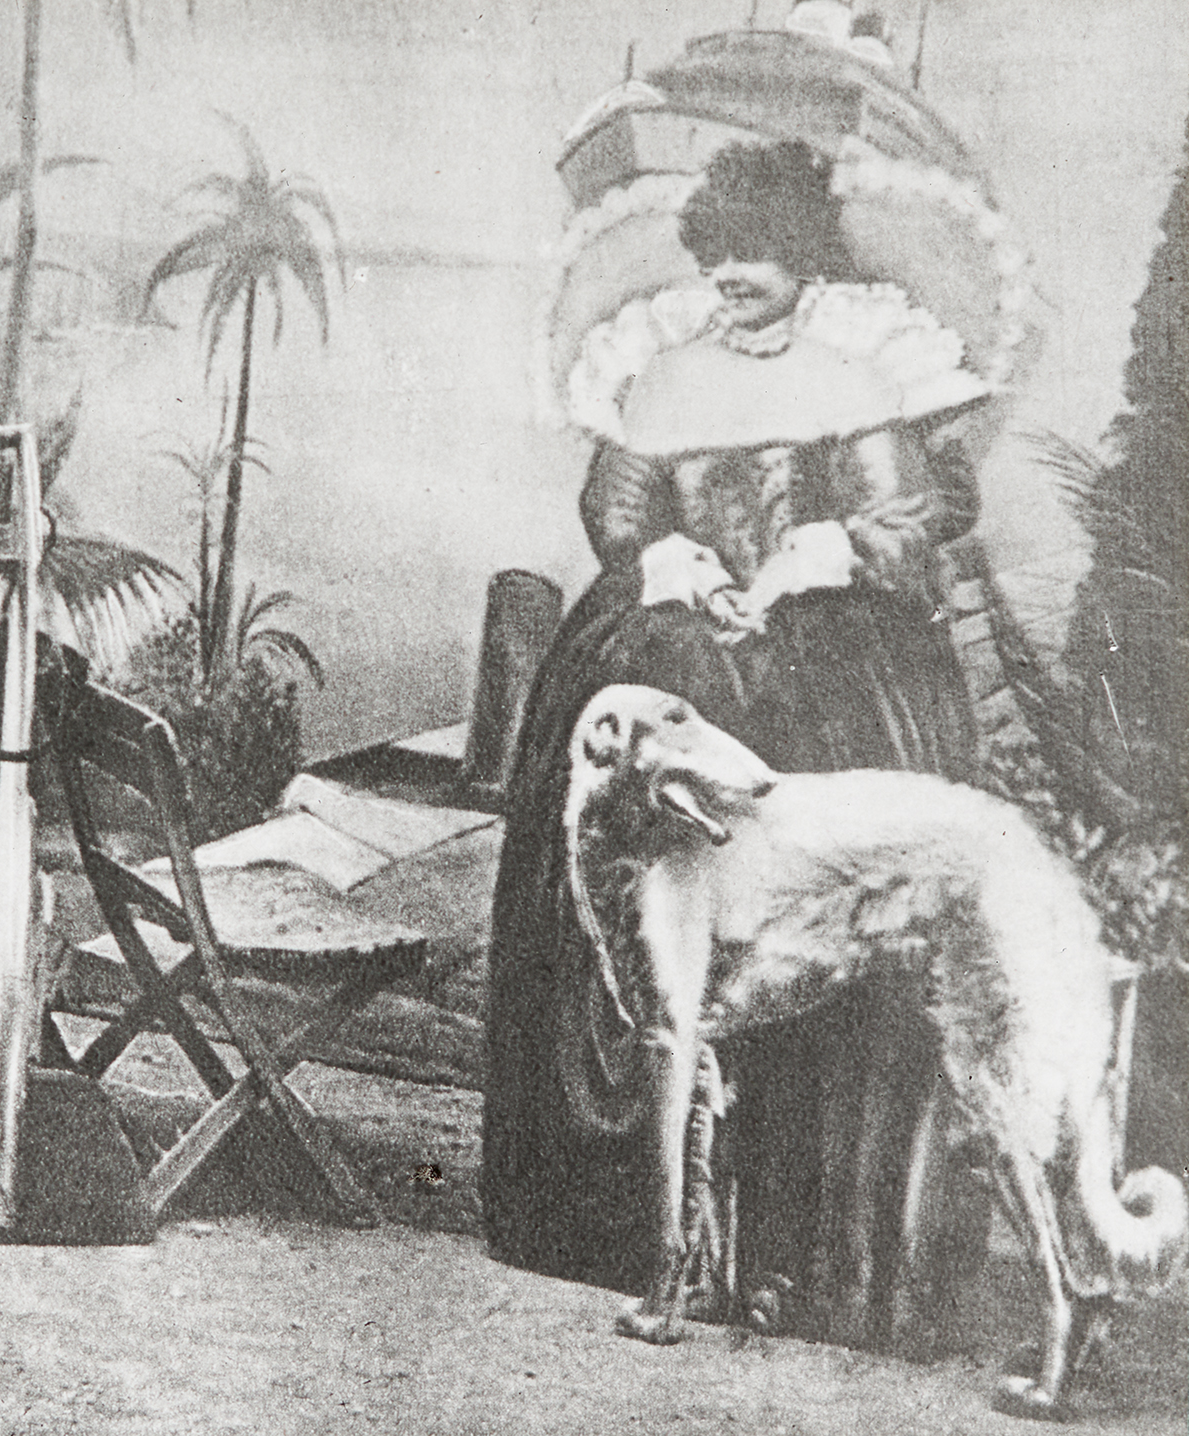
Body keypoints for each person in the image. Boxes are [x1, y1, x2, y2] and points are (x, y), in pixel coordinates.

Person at [480, 139, 996, 1349]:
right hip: (668, 635)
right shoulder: (664, 371)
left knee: (815, 828)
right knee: (626, 780)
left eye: (756, 254)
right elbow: (616, 508)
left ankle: (794, 1246)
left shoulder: (851, 371)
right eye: (718, 255)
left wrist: (827, 549)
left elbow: (913, 511)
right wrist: (671, 557)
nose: (731, 277)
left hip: (828, 651)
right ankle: (621, 1222)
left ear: (801, 256)